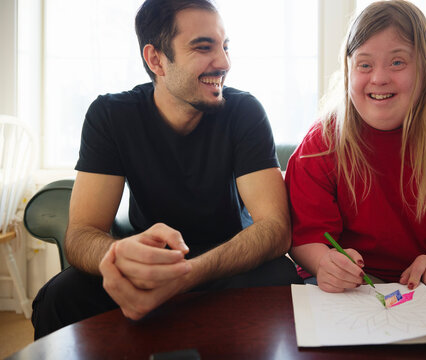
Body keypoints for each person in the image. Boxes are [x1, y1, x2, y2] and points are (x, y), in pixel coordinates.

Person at [32, 0, 301, 339]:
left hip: (227, 263)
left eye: (225, 46)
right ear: (156, 59)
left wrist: (187, 274)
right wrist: (119, 254)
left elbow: (276, 228)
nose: (224, 62)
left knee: (280, 277)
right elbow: (82, 233)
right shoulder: (111, 116)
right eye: (204, 47)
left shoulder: (244, 111)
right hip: (149, 265)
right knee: (61, 295)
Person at [285, 0, 426, 294]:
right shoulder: (319, 146)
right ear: (348, 72)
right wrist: (324, 263)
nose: (379, 78)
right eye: (364, 64)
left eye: (397, 62)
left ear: (425, 68)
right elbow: (307, 238)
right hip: (356, 280)